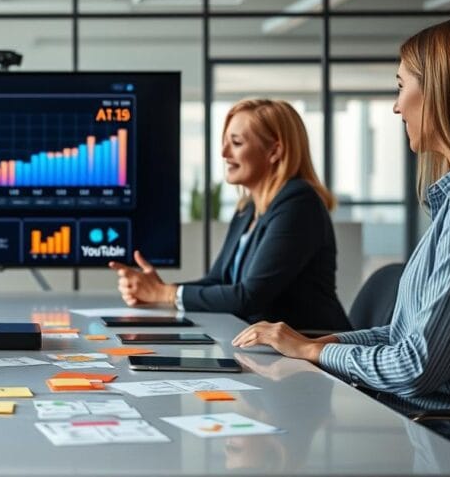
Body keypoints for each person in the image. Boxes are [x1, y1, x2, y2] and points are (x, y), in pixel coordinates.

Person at [232, 17, 450, 457]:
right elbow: (404, 335)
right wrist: (321, 344)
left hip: (443, 440)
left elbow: (415, 366)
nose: (396, 107)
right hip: (413, 424)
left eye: (400, 86)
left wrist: (313, 350)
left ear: (442, 93)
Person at [110, 99, 351, 331]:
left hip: (312, 350)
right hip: (265, 349)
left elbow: (249, 297)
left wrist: (165, 294)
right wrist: (158, 289)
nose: (224, 153)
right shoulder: (247, 208)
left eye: (236, 143)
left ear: (274, 151)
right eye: (225, 142)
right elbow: (219, 281)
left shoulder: (299, 203)